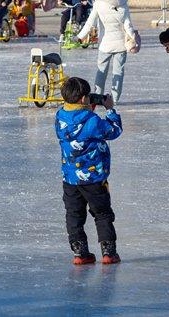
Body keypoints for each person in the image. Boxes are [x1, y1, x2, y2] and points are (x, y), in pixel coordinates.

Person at [55, 77, 123, 265]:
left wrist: (87, 108)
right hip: (94, 178)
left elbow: (78, 124)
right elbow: (114, 131)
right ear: (85, 99)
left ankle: (80, 253)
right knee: (102, 213)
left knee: (74, 215)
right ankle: (108, 252)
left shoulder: (60, 116)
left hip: (70, 179)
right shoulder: (92, 120)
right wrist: (110, 109)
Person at [76, 0, 135, 104]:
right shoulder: (123, 4)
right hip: (121, 45)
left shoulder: (98, 4)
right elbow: (128, 25)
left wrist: (80, 36)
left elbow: (89, 23)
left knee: (101, 71)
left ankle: (98, 97)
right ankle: (114, 99)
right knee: (118, 72)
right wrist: (133, 40)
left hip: (105, 44)